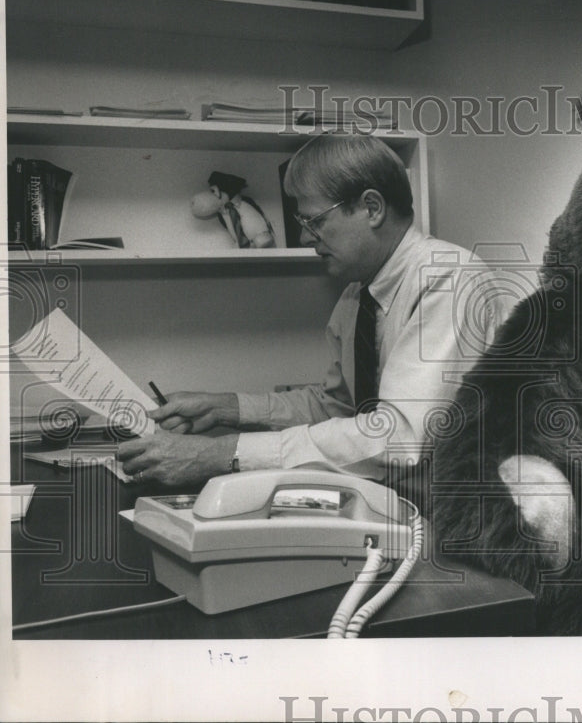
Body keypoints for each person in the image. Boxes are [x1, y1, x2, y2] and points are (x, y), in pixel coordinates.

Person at [118, 135, 514, 486]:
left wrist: (222, 454)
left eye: (314, 220)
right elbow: (336, 410)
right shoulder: (356, 297)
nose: (307, 237)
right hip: (394, 502)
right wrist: (224, 407)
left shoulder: (449, 280)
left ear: (371, 208)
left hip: (456, 521)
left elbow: (398, 439)